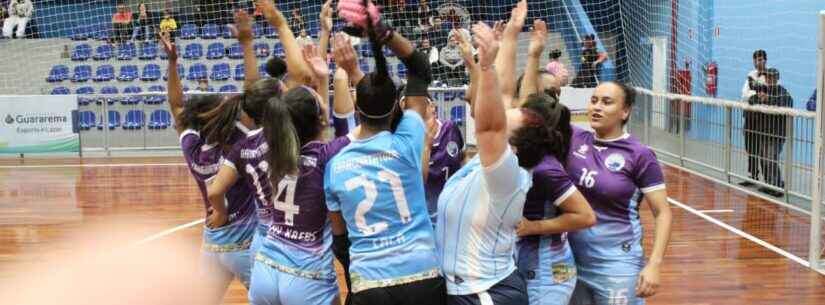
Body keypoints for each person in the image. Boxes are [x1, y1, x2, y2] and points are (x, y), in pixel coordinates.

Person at [325, 0, 445, 303]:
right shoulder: (408, 140)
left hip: (370, 283)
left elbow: (338, 237)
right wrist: (382, 31)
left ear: (356, 106)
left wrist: (352, 70)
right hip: (422, 275)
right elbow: (419, 66)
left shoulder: (335, 164)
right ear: (398, 106)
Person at [159, 32, 258, 304]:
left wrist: (172, 62)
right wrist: (247, 43)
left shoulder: (193, 149)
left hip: (212, 245)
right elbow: (252, 93)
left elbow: (177, 105)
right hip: (245, 246)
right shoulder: (238, 143)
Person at [566, 81, 672, 305]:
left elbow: (662, 213)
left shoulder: (640, 155)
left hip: (616, 263)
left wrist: (654, 264)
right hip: (570, 261)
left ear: (625, 111)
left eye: (606, 102)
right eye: (594, 100)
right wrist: (534, 54)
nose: (597, 107)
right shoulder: (574, 139)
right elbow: (532, 110)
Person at [751, 68, 793, 197]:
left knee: (770, 159)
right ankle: (769, 184)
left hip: (776, 133)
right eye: (767, 77)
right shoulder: (762, 90)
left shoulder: (783, 93)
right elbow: (751, 101)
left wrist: (767, 100)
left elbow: (786, 103)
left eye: (772, 77)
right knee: (764, 159)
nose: (769, 79)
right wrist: (760, 99)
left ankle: (777, 186)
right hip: (764, 132)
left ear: (777, 78)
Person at [739, 49, 769, 187]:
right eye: (756, 59)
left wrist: (755, 94)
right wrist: (756, 94)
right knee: (750, 147)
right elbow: (744, 94)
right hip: (750, 117)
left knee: (763, 149)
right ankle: (752, 176)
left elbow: (768, 94)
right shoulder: (750, 75)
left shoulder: (771, 75)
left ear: (765, 60)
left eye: (761, 59)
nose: (759, 61)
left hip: (762, 118)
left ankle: (769, 181)